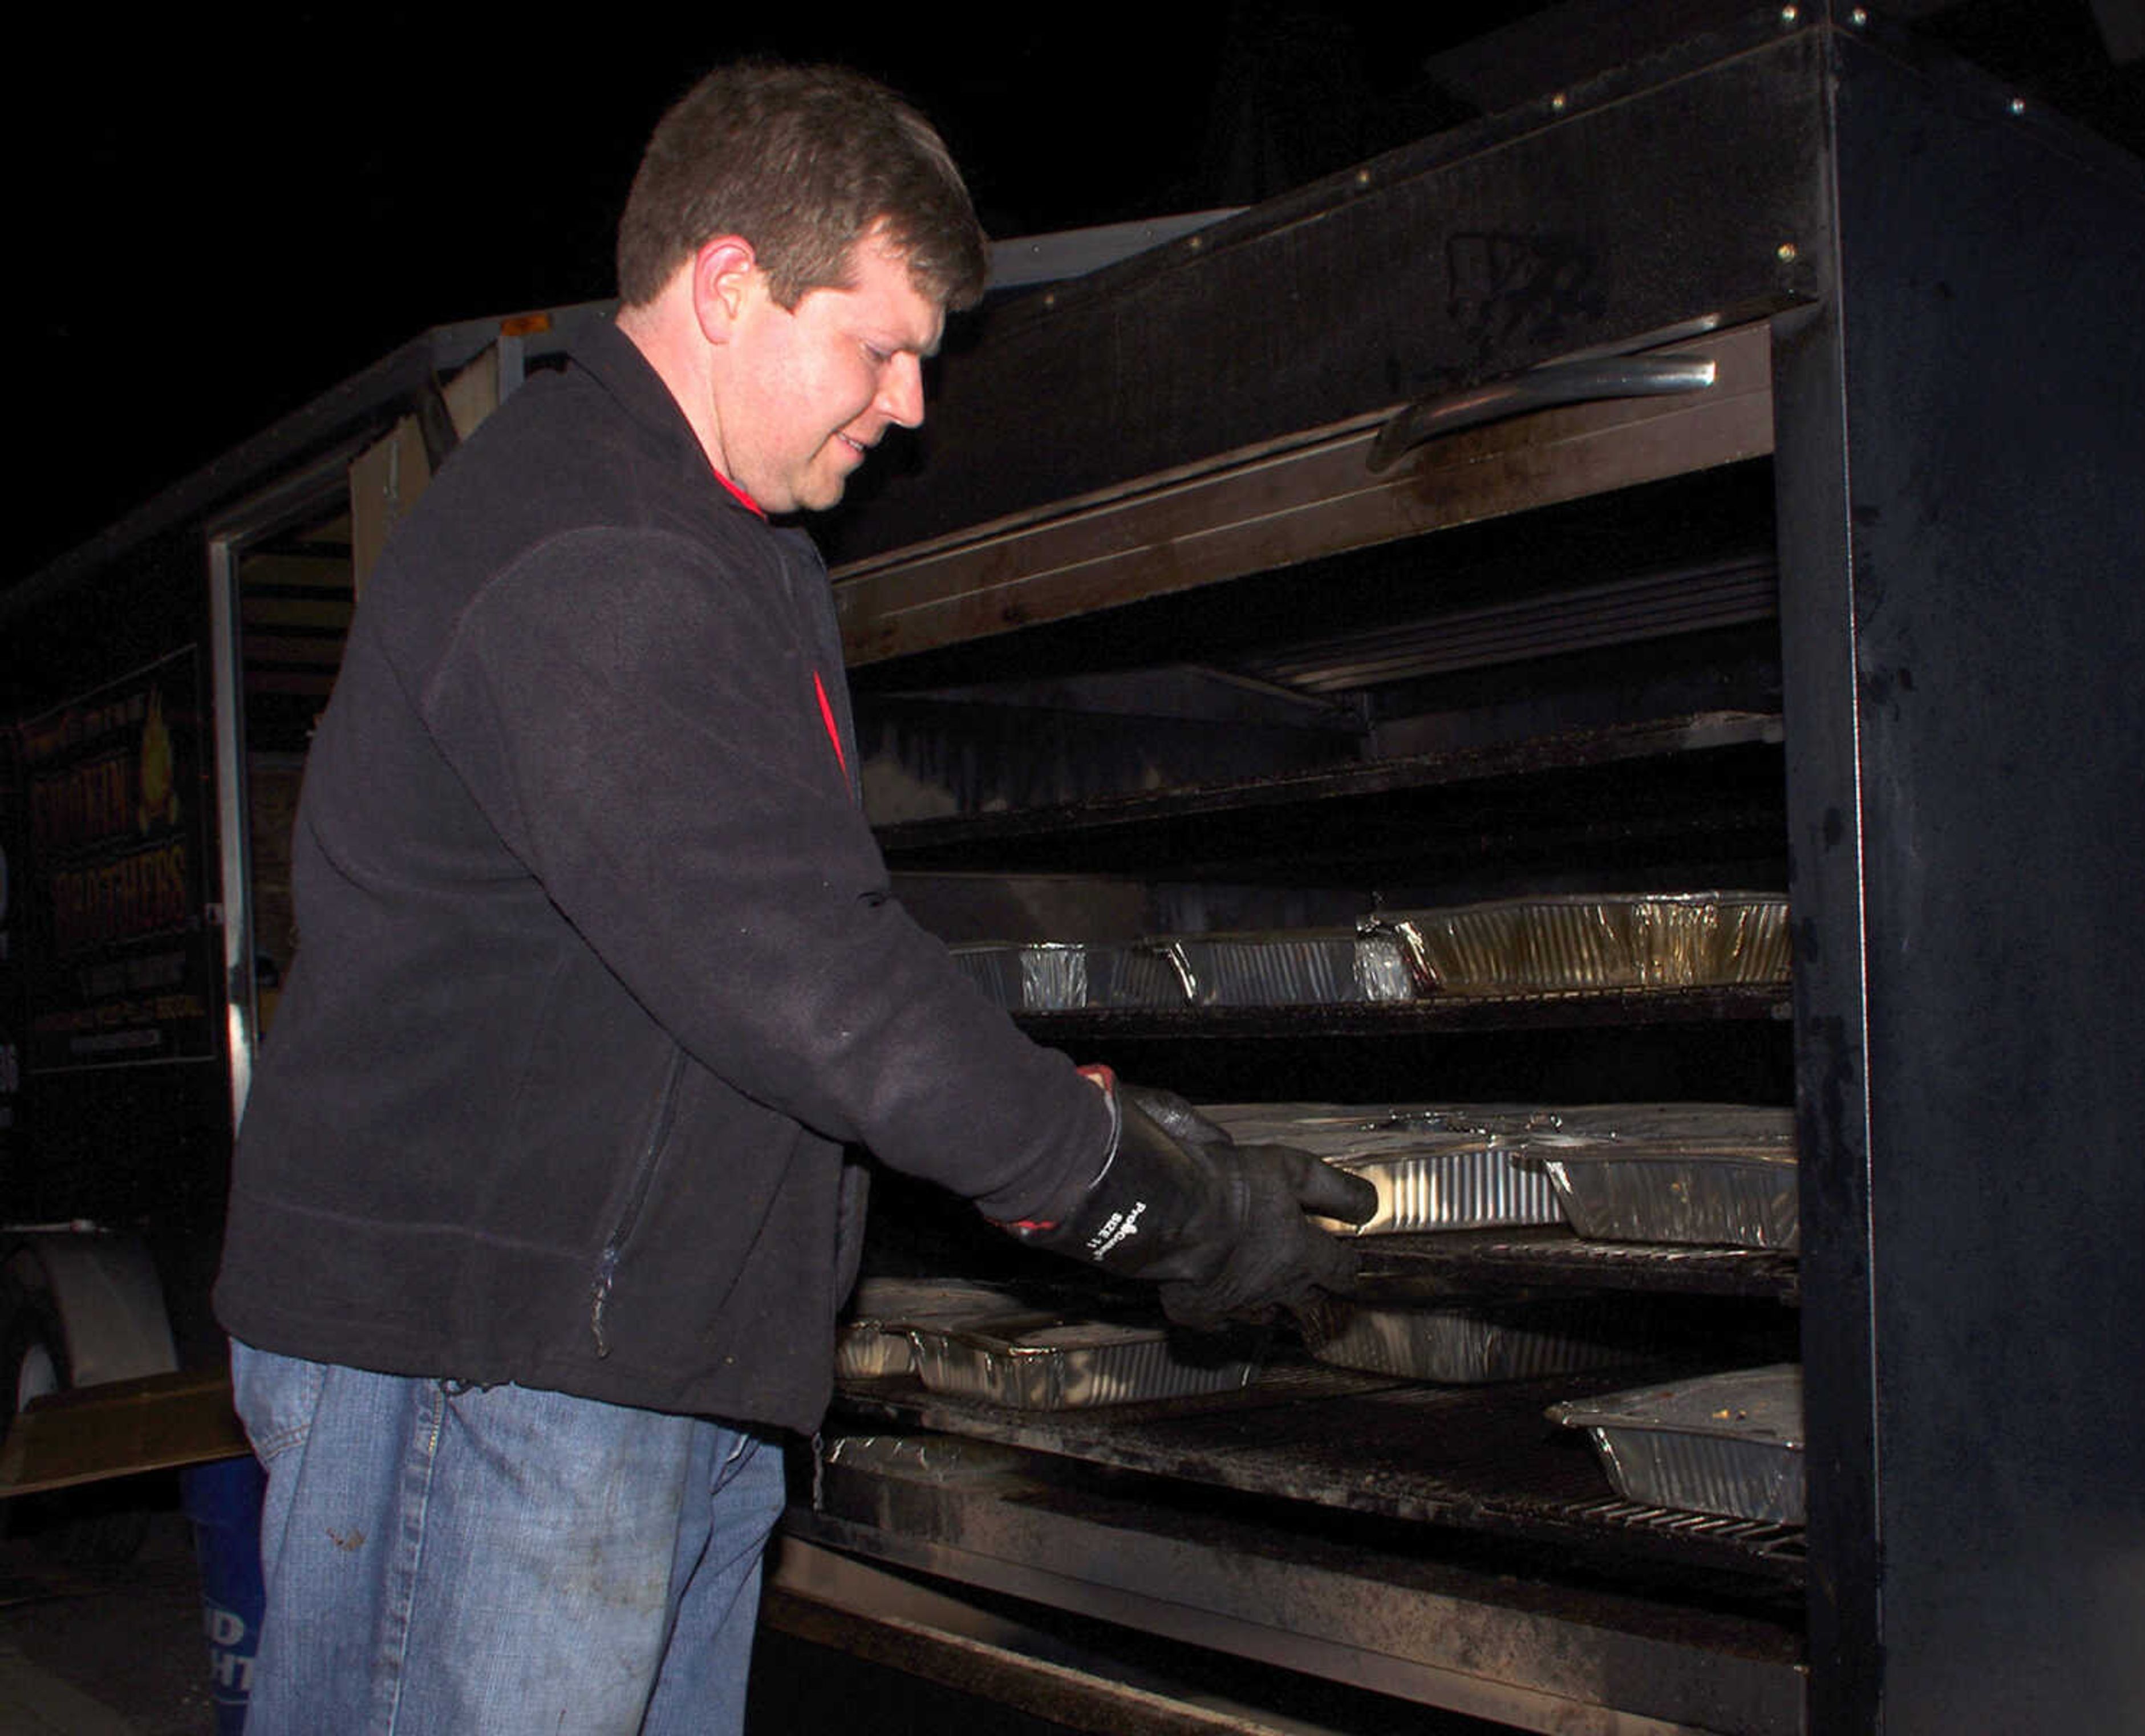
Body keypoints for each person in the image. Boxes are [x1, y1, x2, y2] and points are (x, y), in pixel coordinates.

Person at [213, 60, 1374, 1735]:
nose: (911, 405)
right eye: (882, 345)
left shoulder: (720, 547)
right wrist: (1146, 1195)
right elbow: (808, 982)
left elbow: (791, 934)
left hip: (627, 1366)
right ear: (730, 285)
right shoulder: (594, 554)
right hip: (488, 1377)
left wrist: (1058, 1107)